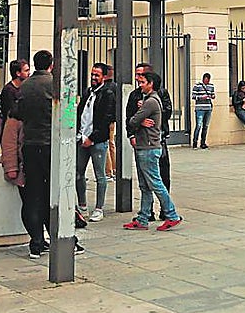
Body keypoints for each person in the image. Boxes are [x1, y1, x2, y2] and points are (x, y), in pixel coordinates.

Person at [14, 50, 84, 258]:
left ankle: (36, 242)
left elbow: (19, 113)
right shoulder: (56, 83)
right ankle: (64, 239)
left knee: (34, 194)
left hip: (30, 143)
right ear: (51, 64)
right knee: (57, 192)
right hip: (51, 144)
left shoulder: (25, 86)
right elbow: (69, 115)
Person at [124, 70, 181, 230]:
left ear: (151, 84)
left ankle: (171, 214)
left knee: (155, 183)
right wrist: (139, 119)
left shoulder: (150, 102)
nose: (139, 85)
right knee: (145, 185)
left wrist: (138, 119)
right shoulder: (147, 101)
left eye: (143, 82)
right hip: (144, 145)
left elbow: (132, 121)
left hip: (148, 147)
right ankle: (143, 218)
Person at [76, 63, 114, 223]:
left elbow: (107, 118)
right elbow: (81, 112)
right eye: (92, 74)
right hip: (82, 138)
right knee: (78, 173)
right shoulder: (88, 92)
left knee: (100, 175)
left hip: (97, 140)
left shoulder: (108, 93)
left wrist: (93, 137)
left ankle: (99, 208)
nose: (93, 77)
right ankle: (82, 205)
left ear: (104, 77)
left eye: (97, 75)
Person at [191, 72, 216, 148]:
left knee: (205, 126)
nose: (206, 81)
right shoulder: (197, 86)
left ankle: (203, 143)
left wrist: (213, 96)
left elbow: (212, 94)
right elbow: (193, 96)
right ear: (203, 79)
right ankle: (195, 142)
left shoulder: (211, 86)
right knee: (198, 125)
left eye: (208, 80)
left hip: (208, 108)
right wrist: (201, 97)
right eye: (205, 80)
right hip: (200, 108)